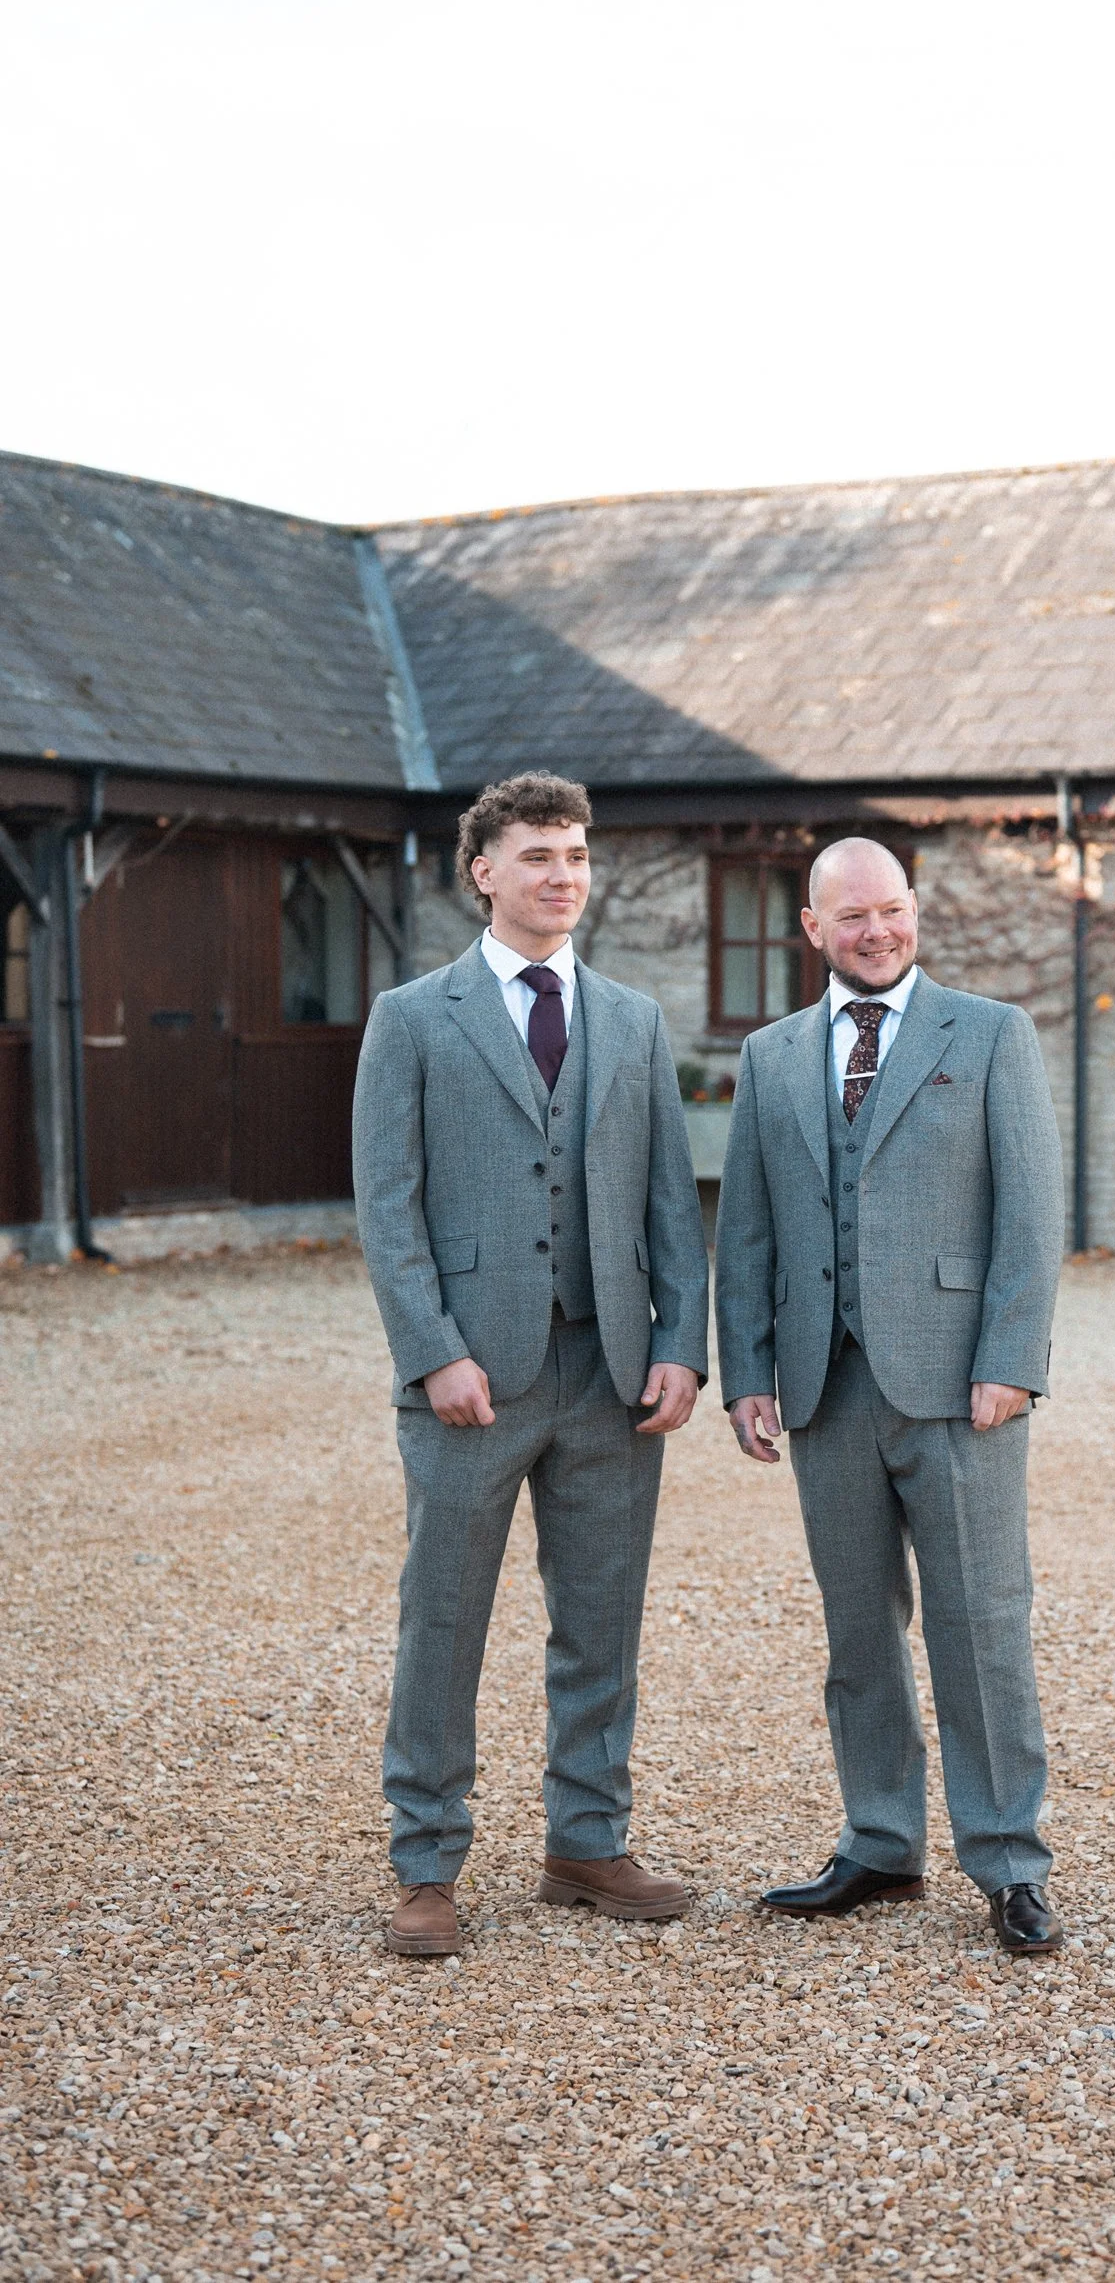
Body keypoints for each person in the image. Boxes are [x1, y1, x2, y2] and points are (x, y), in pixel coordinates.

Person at [353, 771, 708, 1957]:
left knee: (600, 1621)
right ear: (483, 871)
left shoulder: (632, 1017)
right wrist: (433, 1351)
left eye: (577, 854)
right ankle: (425, 1864)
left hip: (608, 1373)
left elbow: (672, 1207)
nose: (564, 875)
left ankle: (585, 1841)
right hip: (471, 1381)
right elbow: (388, 1208)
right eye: (539, 855)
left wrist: (679, 1348)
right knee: (442, 1620)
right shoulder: (412, 1016)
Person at [715, 837, 1067, 1955]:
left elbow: (1029, 1212)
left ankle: (1007, 1860)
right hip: (825, 1383)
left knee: (980, 1625)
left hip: (959, 1381)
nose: (876, 930)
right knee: (856, 1630)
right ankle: (879, 1841)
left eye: (893, 910)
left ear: (913, 914)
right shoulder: (771, 1056)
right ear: (811, 928)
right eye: (851, 915)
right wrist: (748, 1371)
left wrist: (1011, 1357)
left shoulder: (991, 1031)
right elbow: (748, 1227)